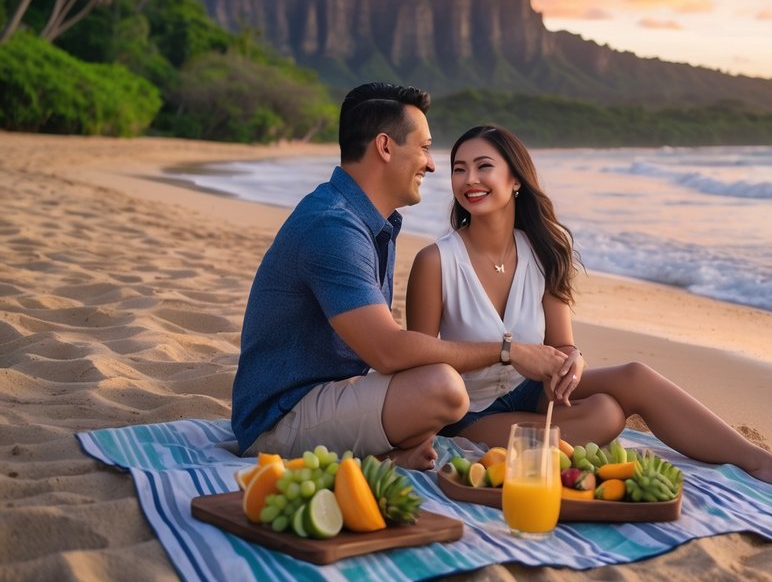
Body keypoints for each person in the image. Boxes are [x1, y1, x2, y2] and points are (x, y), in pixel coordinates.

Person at [405, 125, 772, 501]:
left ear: (515, 179)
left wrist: (571, 360)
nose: (469, 179)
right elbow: (420, 364)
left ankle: (762, 463)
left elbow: (561, 345)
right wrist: (508, 352)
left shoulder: (544, 250)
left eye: (484, 166)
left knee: (630, 379)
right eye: (459, 169)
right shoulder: (436, 261)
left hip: (531, 394)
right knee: (606, 417)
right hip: (470, 411)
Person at [231, 84, 567, 469]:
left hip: (331, 396)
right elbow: (388, 351)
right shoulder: (333, 226)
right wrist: (508, 351)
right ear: (385, 147)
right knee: (444, 388)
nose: (432, 164)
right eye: (424, 148)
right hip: (279, 421)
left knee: (437, 382)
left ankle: (385, 455)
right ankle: (381, 454)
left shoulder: (372, 222)